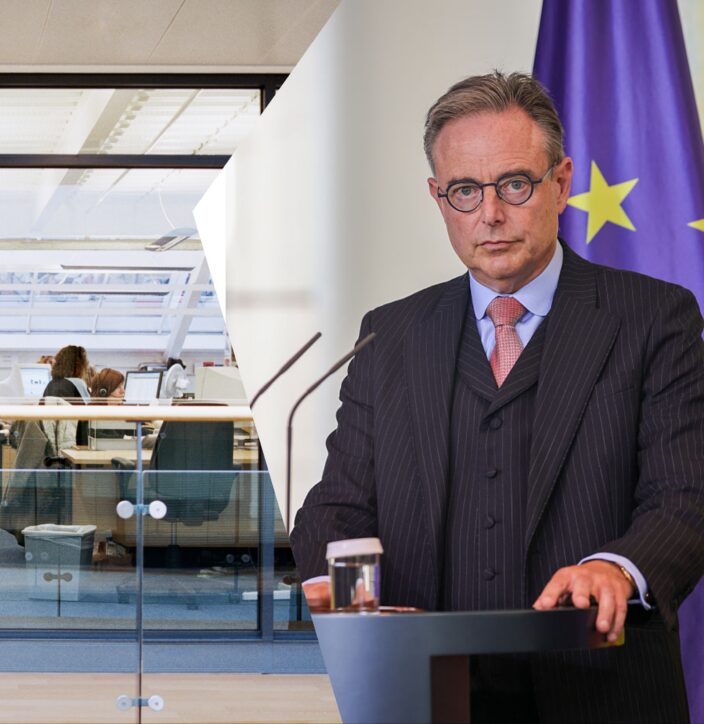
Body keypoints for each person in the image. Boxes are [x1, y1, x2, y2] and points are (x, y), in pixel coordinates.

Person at [289, 72, 703, 723]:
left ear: (561, 182)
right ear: (438, 197)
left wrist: (619, 568)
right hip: (425, 694)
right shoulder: (389, 335)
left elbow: (686, 496)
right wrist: (349, 597)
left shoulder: (655, 318)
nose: (490, 214)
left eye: (514, 184)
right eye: (465, 190)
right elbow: (338, 508)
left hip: (603, 691)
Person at [42, 345, 91, 445]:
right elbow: (89, 419)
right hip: (76, 444)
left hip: (53, 443)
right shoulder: (78, 384)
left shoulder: (50, 385)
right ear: (79, 366)